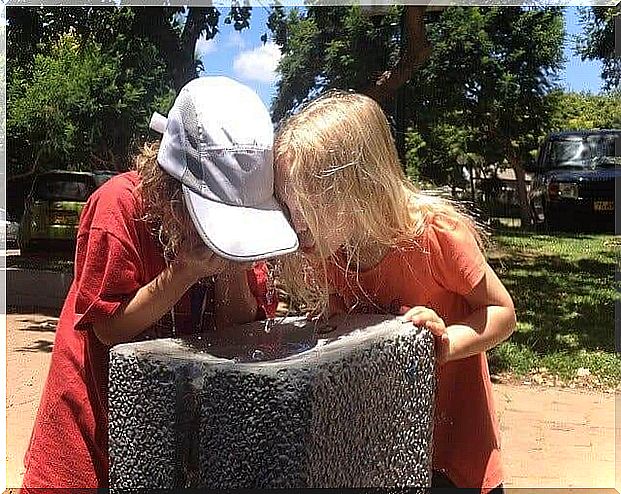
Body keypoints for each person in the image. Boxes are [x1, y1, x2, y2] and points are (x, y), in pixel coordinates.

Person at [21, 76, 298, 489]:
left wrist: (233, 262)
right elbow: (108, 329)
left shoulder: (243, 229)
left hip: (173, 437)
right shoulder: (119, 207)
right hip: (93, 432)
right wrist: (184, 271)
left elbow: (240, 334)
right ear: (171, 186)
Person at [273, 90, 516, 494]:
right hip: (380, 443)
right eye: (287, 201)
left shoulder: (435, 235)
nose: (296, 220)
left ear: (359, 187)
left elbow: (502, 312)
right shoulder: (329, 252)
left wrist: (446, 343)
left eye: (309, 203)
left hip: (452, 447)